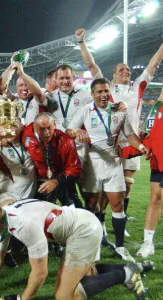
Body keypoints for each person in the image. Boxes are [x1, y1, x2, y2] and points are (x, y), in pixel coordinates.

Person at [0, 200, 148, 300]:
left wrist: (21, 299)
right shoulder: (4, 215)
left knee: (65, 296)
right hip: (79, 223)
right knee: (87, 276)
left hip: (83, 230)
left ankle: (125, 274)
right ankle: (135, 268)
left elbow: (40, 273)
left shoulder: (23, 226)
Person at [75, 28, 163, 221]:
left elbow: (154, 64)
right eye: (121, 70)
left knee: (128, 183)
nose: (126, 71)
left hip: (132, 142)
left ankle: (121, 215)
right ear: (114, 75)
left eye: (128, 70)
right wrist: (81, 42)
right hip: (110, 143)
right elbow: (91, 65)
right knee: (110, 185)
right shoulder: (106, 88)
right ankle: (103, 216)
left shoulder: (138, 86)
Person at [66, 78, 150, 262]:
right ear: (92, 94)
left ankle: (120, 246)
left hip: (113, 163)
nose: (103, 95)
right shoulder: (85, 111)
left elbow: (130, 135)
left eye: (106, 91)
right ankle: (93, 245)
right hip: (91, 165)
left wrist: (142, 147)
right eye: (99, 92)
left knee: (118, 205)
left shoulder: (119, 112)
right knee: (91, 206)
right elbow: (69, 130)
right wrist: (77, 133)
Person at [22, 112, 82, 207]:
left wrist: (56, 181)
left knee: (75, 209)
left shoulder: (66, 141)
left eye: (49, 128)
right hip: (39, 182)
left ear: (54, 124)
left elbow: (74, 169)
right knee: (40, 214)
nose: (46, 133)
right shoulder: (26, 134)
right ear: (34, 127)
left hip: (61, 180)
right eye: (42, 129)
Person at [137, 89, 163, 257]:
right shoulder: (159, 108)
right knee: (155, 198)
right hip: (158, 160)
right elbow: (155, 134)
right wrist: (148, 145)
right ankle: (148, 243)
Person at [0, 121, 36, 206]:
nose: (10, 129)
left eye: (14, 125)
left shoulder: (30, 142)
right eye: (7, 125)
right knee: (11, 210)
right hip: (6, 194)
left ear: (21, 127)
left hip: (29, 197)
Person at [0, 61, 46, 125]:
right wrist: (12, 65)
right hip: (15, 133)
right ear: (16, 87)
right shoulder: (13, 98)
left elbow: (39, 92)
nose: (24, 88)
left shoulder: (36, 98)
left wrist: (22, 73)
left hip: (31, 133)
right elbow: (1, 87)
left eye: (26, 85)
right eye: (21, 85)